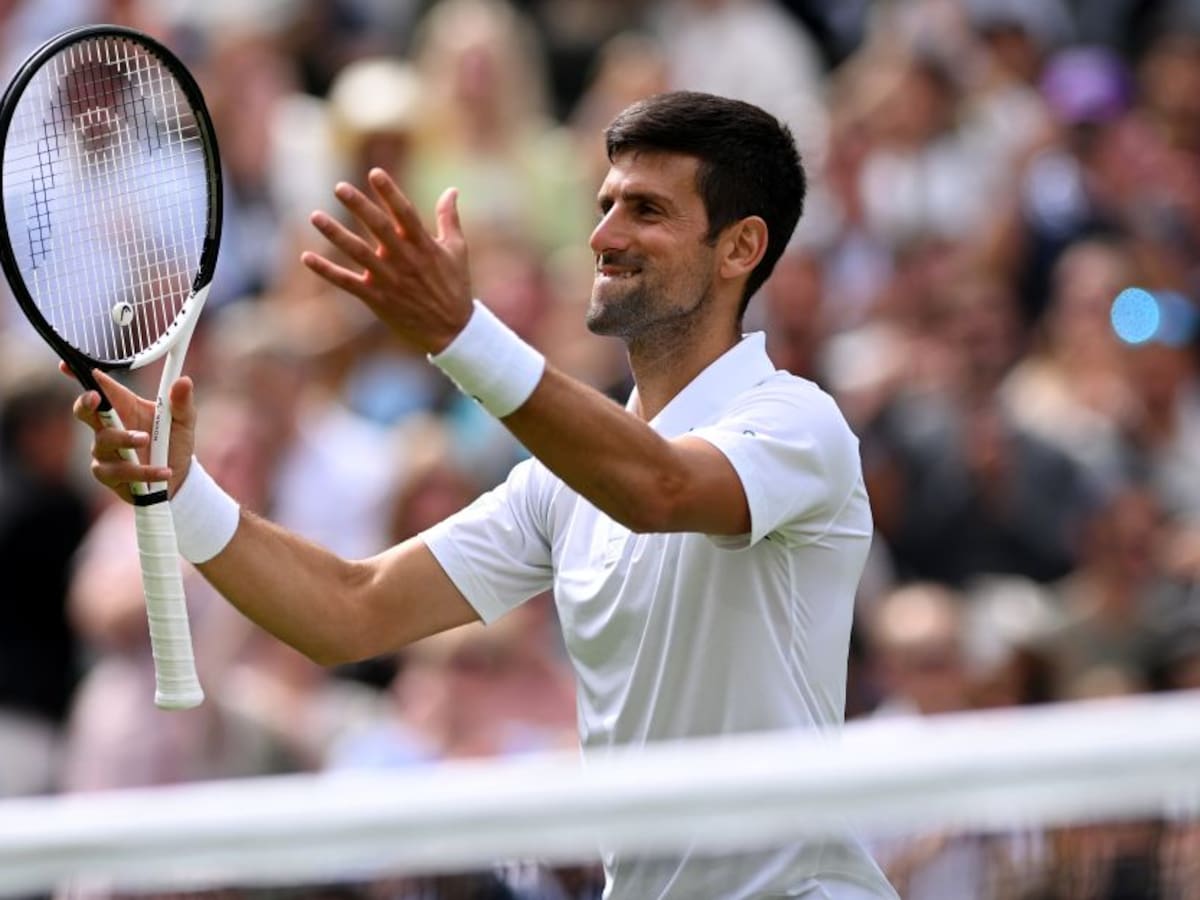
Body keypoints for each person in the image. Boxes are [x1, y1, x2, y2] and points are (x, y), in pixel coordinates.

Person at [72, 91, 896, 899]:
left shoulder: (799, 424)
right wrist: (181, 489)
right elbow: (347, 611)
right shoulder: (561, 484)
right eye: (604, 204)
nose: (603, 235)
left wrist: (460, 335)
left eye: (646, 210)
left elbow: (661, 487)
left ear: (740, 247)